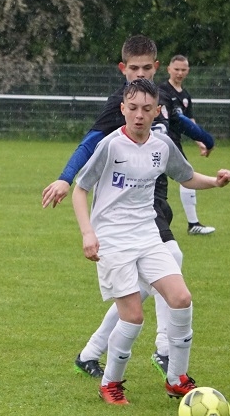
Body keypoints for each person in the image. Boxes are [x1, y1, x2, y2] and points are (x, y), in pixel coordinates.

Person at [40, 35, 215, 382]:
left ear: (156, 68)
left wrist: (206, 139)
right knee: (168, 264)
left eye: (146, 68)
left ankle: (91, 353)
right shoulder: (121, 103)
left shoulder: (160, 99)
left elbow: (180, 125)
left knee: (143, 287)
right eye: (133, 69)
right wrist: (65, 177)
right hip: (130, 210)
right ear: (123, 70)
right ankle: (163, 348)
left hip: (155, 199)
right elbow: (90, 143)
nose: (139, 75)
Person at [71, 78, 230, 405]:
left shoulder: (162, 146)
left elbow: (186, 176)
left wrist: (215, 182)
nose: (139, 115)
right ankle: (110, 384)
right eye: (132, 108)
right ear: (122, 109)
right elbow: (81, 188)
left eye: (147, 109)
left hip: (147, 234)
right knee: (133, 317)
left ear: (157, 111)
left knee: (181, 298)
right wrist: (88, 233)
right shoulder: (110, 145)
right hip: (113, 240)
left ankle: (177, 379)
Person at [158, 55, 215, 235]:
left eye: (183, 70)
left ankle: (191, 223)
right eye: (176, 69)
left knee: (184, 176)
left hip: (175, 141)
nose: (180, 73)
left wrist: (200, 141)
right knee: (184, 176)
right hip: (162, 140)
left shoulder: (185, 96)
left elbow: (189, 122)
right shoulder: (162, 90)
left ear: (188, 71)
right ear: (168, 69)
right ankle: (191, 224)